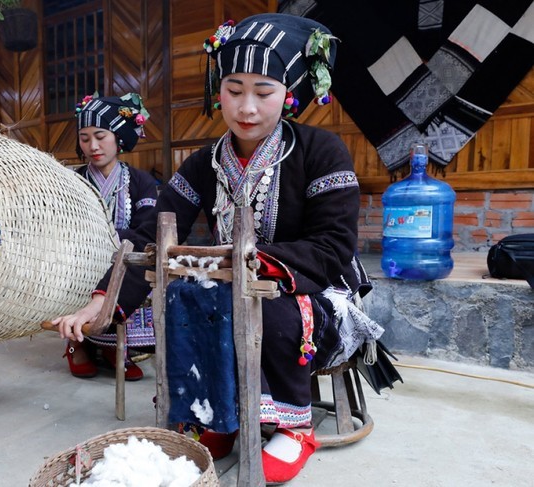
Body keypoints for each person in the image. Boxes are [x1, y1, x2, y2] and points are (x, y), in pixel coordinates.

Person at [52, 13, 383, 484]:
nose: (246, 107)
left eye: (264, 92)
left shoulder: (321, 150)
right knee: (188, 297)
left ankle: (293, 424)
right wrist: (100, 301)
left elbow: (332, 246)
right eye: (234, 89)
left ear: (288, 92)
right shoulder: (205, 163)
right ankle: (219, 416)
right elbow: (152, 232)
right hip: (234, 281)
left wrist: (252, 265)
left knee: (262, 307)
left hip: (313, 286)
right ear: (218, 88)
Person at [64, 92, 158, 381]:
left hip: (124, 259)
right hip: (80, 262)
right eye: (84, 137)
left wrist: (108, 241)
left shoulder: (140, 181)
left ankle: (115, 346)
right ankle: (77, 343)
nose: (92, 146)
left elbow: (147, 229)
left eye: (100, 136)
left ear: (118, 136)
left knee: (142, 266)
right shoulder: (73, 181)